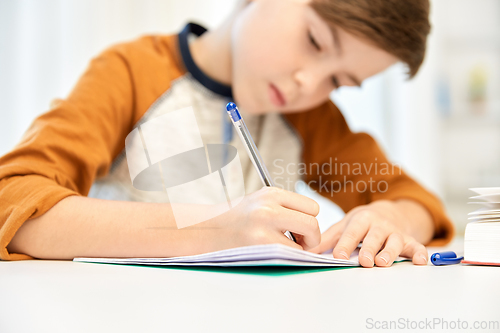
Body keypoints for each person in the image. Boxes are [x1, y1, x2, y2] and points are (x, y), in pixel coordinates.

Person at [0, 0, 454, 267]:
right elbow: (13, 199)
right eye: (315, 41)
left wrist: (393, 218)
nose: (308, 84)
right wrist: (214, 231)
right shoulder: (129, 75)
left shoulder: (312, 117)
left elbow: (417, 203)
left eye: (338, 81)